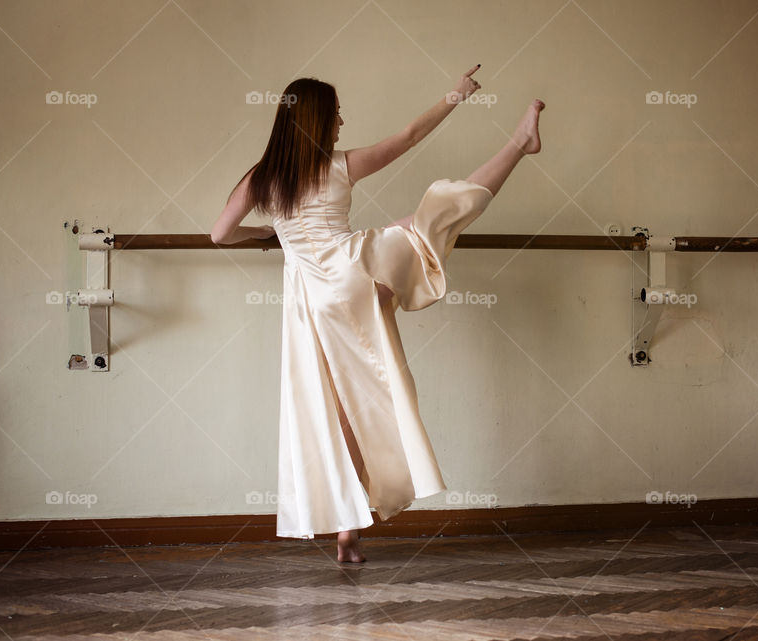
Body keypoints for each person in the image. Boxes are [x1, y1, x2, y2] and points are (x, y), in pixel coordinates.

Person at [211, 65, 544, 563]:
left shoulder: (261, 178)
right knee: (438, 213)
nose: (342, 122)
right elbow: (408, 136)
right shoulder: (339, 164)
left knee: (337, 406)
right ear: (318, 122)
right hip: (354, 274)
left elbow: (219, 234)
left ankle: (348, 529)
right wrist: (455, 95)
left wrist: (267, 235)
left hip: (312, 300)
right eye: (336, 114)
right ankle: (518, 145)